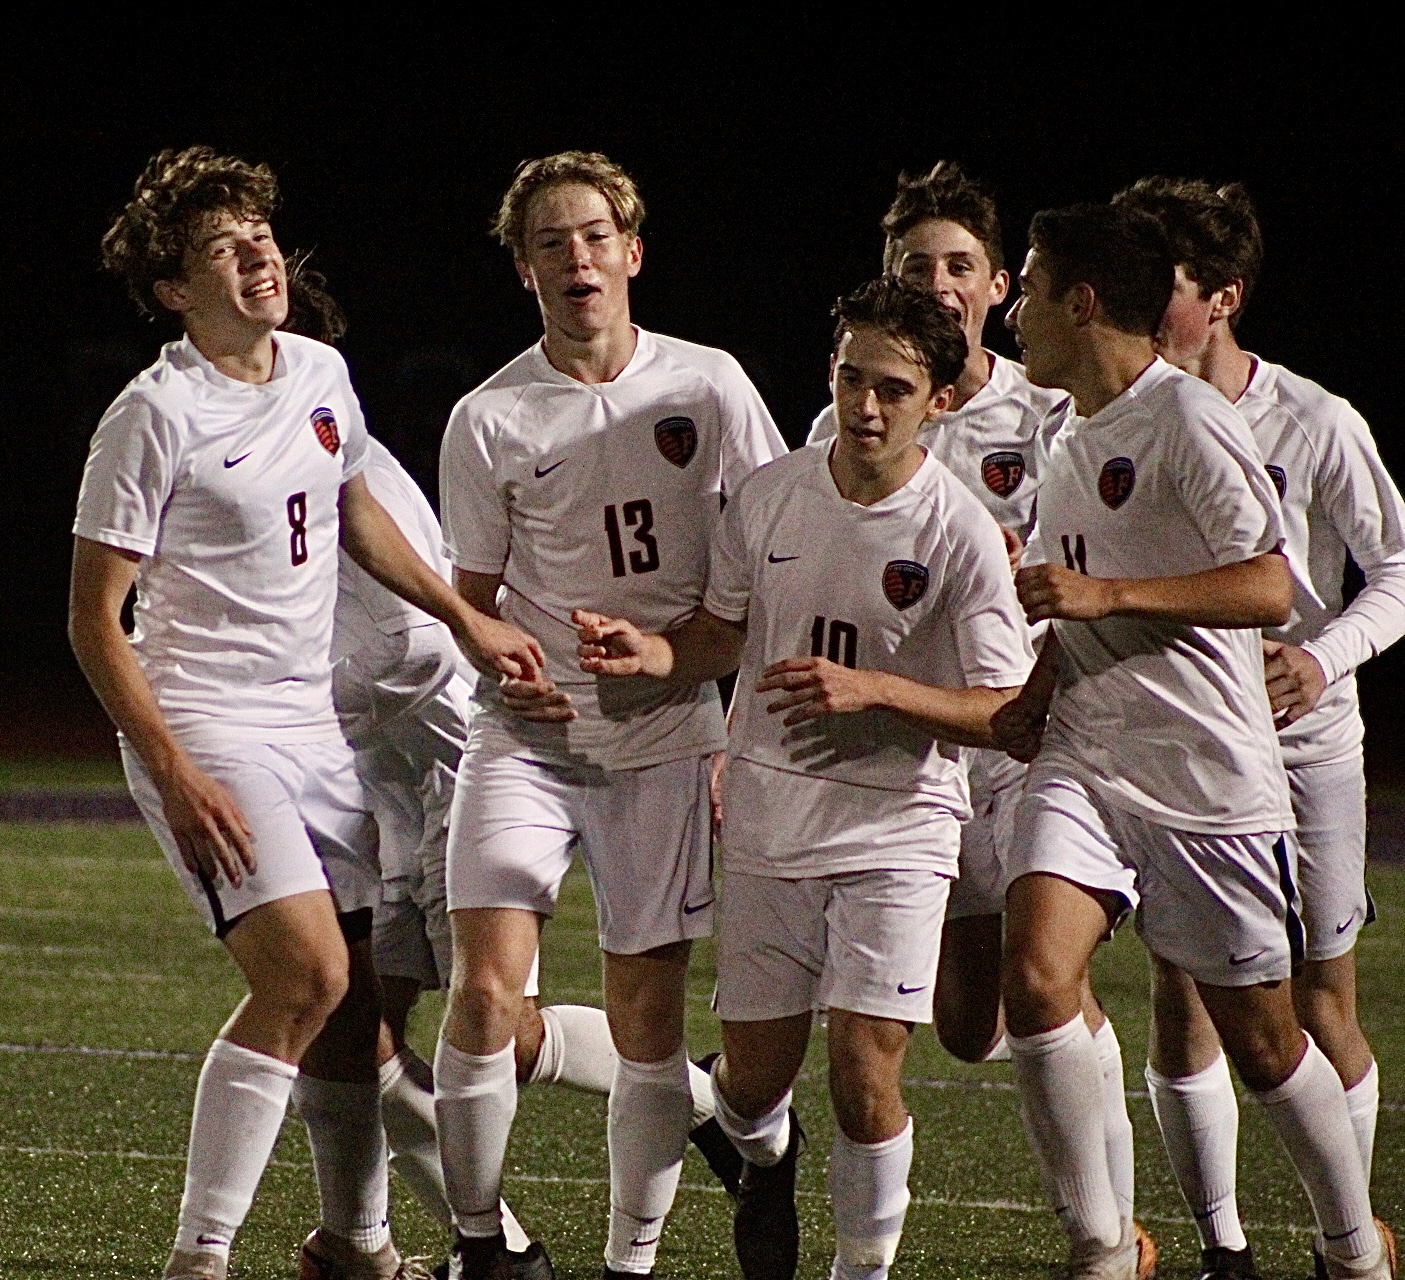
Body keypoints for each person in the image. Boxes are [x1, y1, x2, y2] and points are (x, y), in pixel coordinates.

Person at [68, 147, 524, 1280]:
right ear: (175, 289)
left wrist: (462, 619)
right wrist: (174, 771)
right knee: (306, 977)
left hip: (316, 728)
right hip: (206, 725)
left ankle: (357, 1248)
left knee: (352, 1011)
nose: (258, 256)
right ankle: (200, 1257)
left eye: (260, 235)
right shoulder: (153, 414)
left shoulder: (319, 369)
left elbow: (358, 512)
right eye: (224, 248)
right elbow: (92, 618)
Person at [577, 277, 1035, 1280]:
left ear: (937, 402)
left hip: (900, 826)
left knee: (865, 1076)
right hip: (771, 817)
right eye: (849, 377)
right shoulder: (769, 495)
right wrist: (655, 655)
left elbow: (1007, 711)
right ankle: (762, 1150)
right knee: (751, 1085)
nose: (865, 406)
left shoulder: (957, 530)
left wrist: (874, 690)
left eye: (893, 389)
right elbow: (721, 633)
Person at [993, 202, 1392, 1280]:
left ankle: (1354, 1245)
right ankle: (1102, 1248)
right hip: (1086, 752)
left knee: (1264, 1042)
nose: (1013, 311)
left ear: (1081, 303)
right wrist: (1037, 685)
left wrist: (1107, 595)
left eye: (1027, 289)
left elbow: (1267, 585)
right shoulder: (1064, 431)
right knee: (1034, 977)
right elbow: (1076, 594)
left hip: (1203, 771)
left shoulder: (1188, 418)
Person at [433, 151, 786, 1280]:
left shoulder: (710, 387)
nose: (575, 258)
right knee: (484, 993)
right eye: (551, 242)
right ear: (523, 267)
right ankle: (479, 1245)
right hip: (527, 737)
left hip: (667, 731)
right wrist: (502, 666)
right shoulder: (488, 417)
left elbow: (777, 558)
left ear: (632, 252)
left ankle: (628, 1263)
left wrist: (706, 691)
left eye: (594, 237)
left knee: (648, 1019)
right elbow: (473, 601)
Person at [1113, 176, 1405, 1280]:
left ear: (1223, 296)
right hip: (1181, 743)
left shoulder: (1315, 421)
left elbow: (1396, 569)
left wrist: (1321, 658)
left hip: (1302, 747)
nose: (1139, 302)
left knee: (1323, 1000)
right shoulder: (1116, 419)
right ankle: (1221, 1248)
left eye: (1163, 284)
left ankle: (1342, 1242)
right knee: (1180, 993)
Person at [807, 161, 1076, 1066]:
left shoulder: (1048, 411)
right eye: (917, 267)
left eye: (959, 266)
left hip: (1029, 728)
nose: (938, 285)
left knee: (1044, 980)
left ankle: (1099, 1167)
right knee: (967, 1026)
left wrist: (1018, 561)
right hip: (918, 736)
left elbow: (1096, 548)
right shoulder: (840, 423)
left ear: (997, 287)